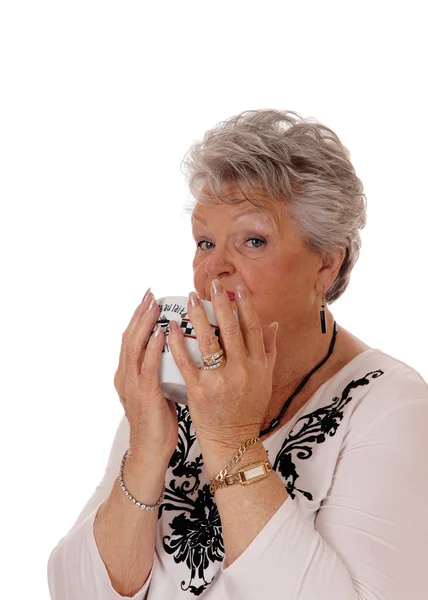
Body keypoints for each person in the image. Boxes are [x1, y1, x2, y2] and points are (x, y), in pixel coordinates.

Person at [47, 109, 428, 600]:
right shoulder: (181, 382)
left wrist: (230, 441)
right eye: (205, 242)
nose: (213, 270)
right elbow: (74, 590)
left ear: (326, 266)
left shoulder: (392, 408)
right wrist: (145, 448)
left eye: (252, 241)